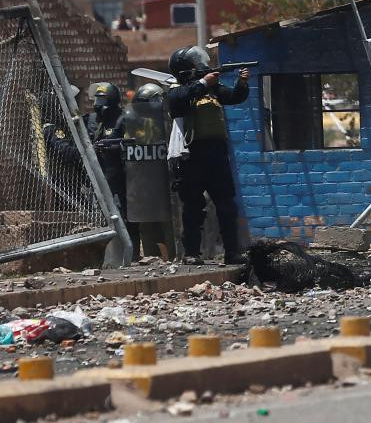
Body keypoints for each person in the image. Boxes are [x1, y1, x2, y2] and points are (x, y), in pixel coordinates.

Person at [166, 45, 250, 265]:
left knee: (226, 204)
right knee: (193, 207)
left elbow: (233, 97)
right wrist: (203, 83)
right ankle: (192, 253)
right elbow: (177, 100)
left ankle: (233, 252)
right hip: (191, 156)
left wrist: (242, 83)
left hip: (216, 155)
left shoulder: (213, 90)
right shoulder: (177, 90)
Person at [45, 83, 140, 258]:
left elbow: (132, 144)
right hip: (94, 177)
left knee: (125, 215)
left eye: (103, 100)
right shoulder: (90, 120)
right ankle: (108, 258)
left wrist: (111, 146)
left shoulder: (123, 119)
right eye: (97, 99)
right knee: (101, 217)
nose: (99, 104)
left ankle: (132, 255)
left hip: (119, 176)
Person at [122, 83, 176, 259]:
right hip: (141, 183)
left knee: (167, 224)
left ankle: (172, 257)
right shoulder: (132, 122)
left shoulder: (168, 121)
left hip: (163, 181)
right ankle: (153, 258)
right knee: (147, 226)